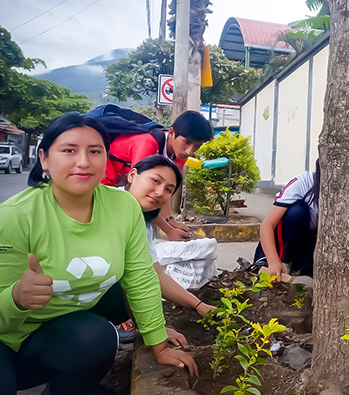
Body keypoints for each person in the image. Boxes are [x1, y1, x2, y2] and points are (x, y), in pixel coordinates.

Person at [0, 113, 197, 395]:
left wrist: (159, 344)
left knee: (100, 335)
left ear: (107, 158)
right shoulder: (14, 216)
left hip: (53, 336)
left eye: (95, 151)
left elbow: (141, 277)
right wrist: (17, 297)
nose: (83, 161)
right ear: (44, 158)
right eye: (69, 150)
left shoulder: (123, 207)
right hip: (4, 338)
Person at [119, 155, 216, 346]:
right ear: (132, 175)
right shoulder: (107, 207)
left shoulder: (142, 219)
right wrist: (154, 329)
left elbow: (154, 273)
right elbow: (131, 280)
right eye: (155, 181)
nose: (159, 192)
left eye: (168, 190)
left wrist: (198, 305)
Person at [101, 110, 214, 242]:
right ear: (171, 133)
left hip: (123, 191)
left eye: (197, 146)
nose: (190, 151)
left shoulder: (179, 155)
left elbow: (162, 191)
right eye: (187, 142)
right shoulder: (148, 144)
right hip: (104, 188)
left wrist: (171, 221)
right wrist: (169, 230)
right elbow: (140, 196)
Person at [253, 160, 320, 282]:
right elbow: (267, 225)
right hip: (284, 242)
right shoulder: (304, 181)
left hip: (309, 246)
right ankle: (284, 262)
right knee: (297, 211)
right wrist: (273, 261)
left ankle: (303, 267)